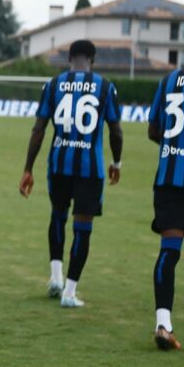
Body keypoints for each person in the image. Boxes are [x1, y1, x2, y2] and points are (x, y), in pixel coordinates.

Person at [19, 39, 123, 307]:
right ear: (93, 60)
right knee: (82, 229)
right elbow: (116, 131)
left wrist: (28, 168)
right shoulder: (105, 86)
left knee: (57, 216)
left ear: (69, 59)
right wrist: (117, 163)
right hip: (90, 170)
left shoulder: (53, 85)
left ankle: (55, 278)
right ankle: (69, 292)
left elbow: (38, 130)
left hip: (59, 166)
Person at [147, 30, 184, 350]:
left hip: (170, 178)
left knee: (169, 251)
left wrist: (176, 148)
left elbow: (153, 129)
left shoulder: (168, 81)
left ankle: (163, 325)